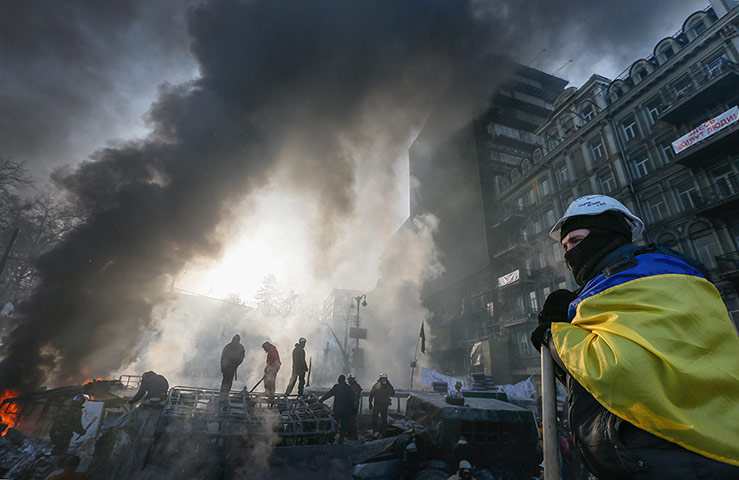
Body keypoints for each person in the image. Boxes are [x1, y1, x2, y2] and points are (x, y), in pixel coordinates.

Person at [530, 195, 739, 479]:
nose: (569, 253)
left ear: (607, 233)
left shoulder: (641, 277)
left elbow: (620, 369)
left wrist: (556, 335)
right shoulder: (666, 275)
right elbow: (595, 387)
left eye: (576, 241)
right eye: (565, 247)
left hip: (682, 456)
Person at [320, 374, 353, 444]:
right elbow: (352, 400)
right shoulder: (348, 388)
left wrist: (321, 400)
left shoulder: (337, 387)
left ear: (339, 380)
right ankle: (341, 441)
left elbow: (329, 394)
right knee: (343, 427)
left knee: (334, 425)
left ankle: (331, 440)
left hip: (338, 410)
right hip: (346, 411)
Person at [368, 372, 394, 437]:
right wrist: (370, 403)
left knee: (384, 419)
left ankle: (384, 433)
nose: (383, 380)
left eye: (384, 379)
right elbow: (371, 394)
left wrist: (387, 386)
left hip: (384, 405)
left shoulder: (388, 385)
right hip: (377, 404)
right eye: (382, 379)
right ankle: (375, 431)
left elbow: (392, 393)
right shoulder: (376, 385)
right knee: (374, 418)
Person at [347, 373, 362, 440]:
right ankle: (349, 435)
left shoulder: (355, 387)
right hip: (349, 407)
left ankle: (354, 437)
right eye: (349, 379)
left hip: (353, 408)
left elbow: (355, 399)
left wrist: (354, 408)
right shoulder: (351, 386)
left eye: (350, 379)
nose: (349, 381)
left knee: (352, 422)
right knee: (349, 421)